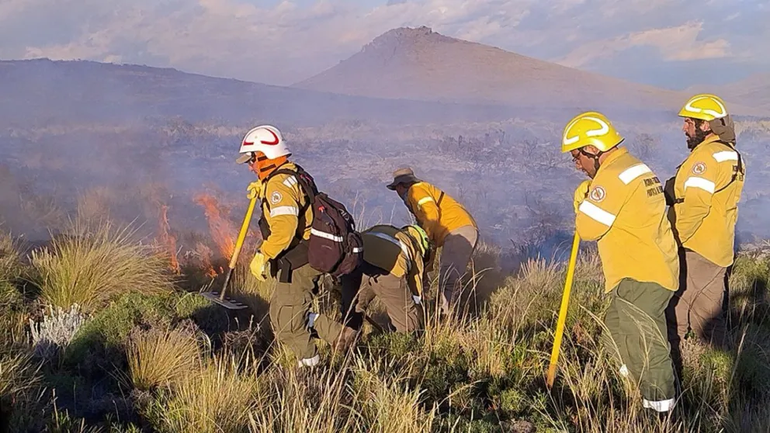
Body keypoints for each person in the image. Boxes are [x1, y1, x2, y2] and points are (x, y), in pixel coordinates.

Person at [563, 111, 679, 414]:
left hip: (640, 276)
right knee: (614, 333)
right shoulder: (635, 168)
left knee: (645, 345)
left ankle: (660, 413)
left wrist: (583, 204)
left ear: (593, 149)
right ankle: (629, 390)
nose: (577, 165)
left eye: (576, 157)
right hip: (647, 270)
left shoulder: (612, 176)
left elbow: (588, 229)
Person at [237, 124, 356, 367]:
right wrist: (264, 188)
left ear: (263, 155)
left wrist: (263, 254)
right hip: (305, 256)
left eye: (252, 160)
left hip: (299, 261)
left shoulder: (279, 184)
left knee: (288, 325)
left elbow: (285, 228)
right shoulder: (293, 173)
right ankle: (338, 334)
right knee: (281, 318)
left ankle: (311, 372)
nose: (250, 167)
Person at [665, 94, 745, 348]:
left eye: (689, 122)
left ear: (706, 125)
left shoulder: (706, 158)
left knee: (676, 315)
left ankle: (678, 371)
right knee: (710, 320)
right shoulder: (731, 155)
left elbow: (695, 206)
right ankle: (726, 374)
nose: (684, 127)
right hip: (718, 249)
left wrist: (670, 240)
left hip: (695, 248)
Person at [386, 168, 478, 314]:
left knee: (449, 279)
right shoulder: (421, 191)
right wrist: (426, 267)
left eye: (396, 188)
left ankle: (449, 320)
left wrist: (425, 240)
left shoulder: (416, 190)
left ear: (400, 186)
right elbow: (431, 234)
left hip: (458, 231)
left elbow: (431, 216)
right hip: (460, 230)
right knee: (448, 276)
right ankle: (444, 315)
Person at [340, 224, 430, 333]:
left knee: (352, 310)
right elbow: (416, 294)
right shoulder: (414, 248)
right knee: (408, 322)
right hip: (387, 269)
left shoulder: (381, 228)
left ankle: (345, 344)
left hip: (355, 263)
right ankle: (405, 345)